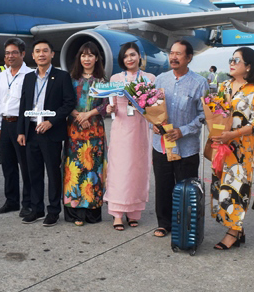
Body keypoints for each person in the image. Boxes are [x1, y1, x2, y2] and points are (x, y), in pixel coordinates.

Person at [210, 47, 254, 249]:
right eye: (231, 59)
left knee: (237, 187)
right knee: (222, 186)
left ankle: (233, 232)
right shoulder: (224, 86)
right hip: (222, 145)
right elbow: (216, 112)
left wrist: (232, 135)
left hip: (242, 148)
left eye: (237, 60)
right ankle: (237, 229)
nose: (231, 63)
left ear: (248, 66)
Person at [151, 40, 208, 238]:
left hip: (187, 147)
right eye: (171, 53)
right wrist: (154, 125)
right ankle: (163, 223)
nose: (173, 57)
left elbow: (204, 115)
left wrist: (183, 131)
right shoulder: (160, 80)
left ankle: (184, 225)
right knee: (163, 186)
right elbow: (150, 107)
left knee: (185, 187)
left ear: (189, 58)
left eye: (179, 54)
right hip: (161, 146)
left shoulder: (199, 83)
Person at [17, 40, 76, 227]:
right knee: (33, 172)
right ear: (32, 56)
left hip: (50, 132)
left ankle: (53, 210)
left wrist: (51, 121)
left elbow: (69, 103)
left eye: (45, 51)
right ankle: (36, 209)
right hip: (31, 130)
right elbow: (23, 106)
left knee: (52, 173)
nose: (41, 54)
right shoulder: (28, 78)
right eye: (37, 51)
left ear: (52, 54)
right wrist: (21, 131)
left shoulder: (61, 77)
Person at [104, 42, 155, 231]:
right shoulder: (116, 78)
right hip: (121, 128)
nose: (130, 59)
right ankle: (117, 213)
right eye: (126, 56)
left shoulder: (149, 78)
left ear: (139, 57)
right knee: (120, 170)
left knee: (138, 170)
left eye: (133, 55)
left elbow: (154, 105)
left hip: (141, 128)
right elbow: (113, 105)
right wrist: (110, 108)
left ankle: (134, 212)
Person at [63, 42, 108, 226]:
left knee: (93, 170)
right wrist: (78, 115)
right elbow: (65, 101)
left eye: (90, 55)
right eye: (83, 55)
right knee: (74, 169)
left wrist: (88, 114)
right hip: (74, 130)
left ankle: (91, 212)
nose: (87, 59)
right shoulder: (70, 79)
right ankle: (75, 213)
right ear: (79, 58)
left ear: (96, 58)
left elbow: (106, 104)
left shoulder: (103, 80)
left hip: (95, 129)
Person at [0, 38, 34, 217]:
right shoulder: (1, 75)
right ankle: (11, 201)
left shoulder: (30, 75)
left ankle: (28, 203)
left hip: (21, 124)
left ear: (23, 54)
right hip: (5, 124)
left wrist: (24, 129)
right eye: (7, 53)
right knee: (8, 166)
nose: (10, 56)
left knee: (26, 166)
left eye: (14, 53)